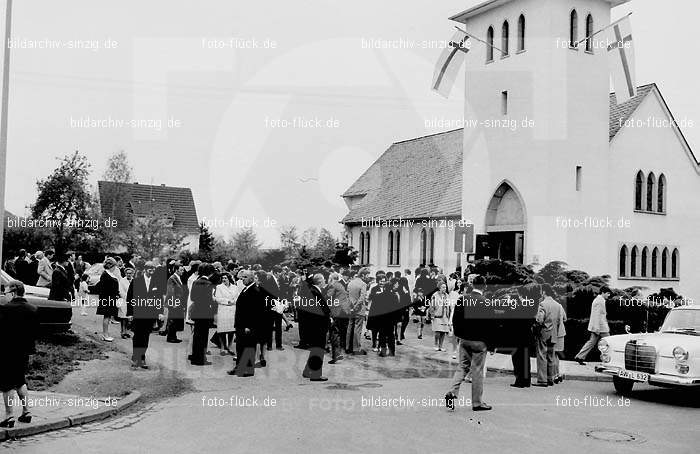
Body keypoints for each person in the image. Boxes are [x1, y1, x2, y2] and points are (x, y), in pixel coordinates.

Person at [445, 277, 492, 412]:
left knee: (462, 367)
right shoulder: (486, 302)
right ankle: (477, 402)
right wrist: (490, 343)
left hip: (464, 340)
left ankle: (452, 392)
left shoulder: (462, 299)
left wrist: (460, 335)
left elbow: (456, 320)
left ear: (472, 285)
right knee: (477, 370)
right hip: (479, 342)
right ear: (484, 286)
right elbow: (490, 326)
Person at [0, 281, 39, 427]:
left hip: (6, 351)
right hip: (24, 351)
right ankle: (26, 411)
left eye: (5, 293)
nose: (4, 296)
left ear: (13, 292)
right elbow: (35, 332)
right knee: (20, 380)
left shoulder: (5, 309)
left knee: (7, 384)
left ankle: (9, 415)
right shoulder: (33, 309)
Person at [127, 261, 162, 369]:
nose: (152, 271)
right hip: (138, 313)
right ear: (145, 270)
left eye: (153, 269)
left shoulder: (156, 282)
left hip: (150, 314)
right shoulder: (136, 281)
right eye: (150, 269)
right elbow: (130, 298)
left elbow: (159, 298)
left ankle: (142, 357)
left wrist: (160, 312)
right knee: (137, 335)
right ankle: (135, 356)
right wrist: (130, 313)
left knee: (146, 336)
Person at [229, 270, 263, 377]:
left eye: (245, 277)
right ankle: (239, 366)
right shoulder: (246, 289)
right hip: (240, 324)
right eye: (242, 277)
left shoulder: (255, 291)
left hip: (248, 325)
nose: (242, 279)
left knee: (248, 346)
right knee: (240, 346)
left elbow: (254, 311)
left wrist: (249, 325)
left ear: (251, 278)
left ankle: (248, 369)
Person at [300, 273, 331, 381]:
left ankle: (307, 371)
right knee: (318, 350)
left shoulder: (313, 291)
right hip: (318, 326)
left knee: (315, 350)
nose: (325, 282)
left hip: (313, 325)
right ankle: (315, 374)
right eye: (324, 280)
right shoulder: (315, 292)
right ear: (320, 281)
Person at [574, 286, 611, 365]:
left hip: (598, 327)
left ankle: (580, 357)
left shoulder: (599, 300)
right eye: (608, 293)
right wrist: (597, 328)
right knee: (609, 343)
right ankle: (607, 360)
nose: (609, 295)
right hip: (601, 328)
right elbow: (597, 315)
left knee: (591, 342)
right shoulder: (600, 301)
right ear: (603, 293)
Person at [534, 284, 562, 387]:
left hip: (544, 332)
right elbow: (560, 320)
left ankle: (542, 380)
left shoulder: (542, 304)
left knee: (542, 355)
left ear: (544, 292)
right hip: (554, 333)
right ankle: (550, 378)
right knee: (551, 356)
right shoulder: (558, 305)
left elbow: (540, 319)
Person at [189, 263, 216, 366]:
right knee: (203, 337)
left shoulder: (196, 282)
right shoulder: (208, 283)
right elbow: (209, 300)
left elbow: (192, 297)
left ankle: (195, 358)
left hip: (197, 310)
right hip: (205, 312)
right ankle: (201, 359)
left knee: (197, 336)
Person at [326, 271, 350, 363]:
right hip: (344, 312)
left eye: (329, 278)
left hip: (337, 312)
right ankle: (339, 352)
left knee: (334, 333)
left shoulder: (333, 285)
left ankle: (336, 355)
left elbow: (328, 297)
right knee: (339, 333)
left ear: (332, 279)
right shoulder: (340, 285)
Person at [96, 257, 120, 342]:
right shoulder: (105, 274)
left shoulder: (109, 274)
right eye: (114, 266)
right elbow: (103, 288)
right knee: (106, 316)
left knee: (108, 317)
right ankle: (105, 334)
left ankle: (106, 333)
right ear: (110, 266)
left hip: (111, 298)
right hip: (107, 298)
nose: (115, 268)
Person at [214, 273, 238, 355]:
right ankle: (222, 347)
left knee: (231, 330)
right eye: (223, 278)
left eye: (225, 278)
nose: (224, 280)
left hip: (232, 310)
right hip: (223, 309)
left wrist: (233, 301)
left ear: (229, 279)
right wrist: (228, 301)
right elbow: (218, 298)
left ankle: (230, 346)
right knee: (222, 330)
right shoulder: (219, 287)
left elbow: (237, 297)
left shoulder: (235, 287)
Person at [346, 268, 368, 355]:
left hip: (350, 309)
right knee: (357, 329)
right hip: (359, 310)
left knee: (350, 327)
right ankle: (356, 348)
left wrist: (351, 307)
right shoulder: (363, 284)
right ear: (363, 275)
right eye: (367, 275)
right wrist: (355, 307)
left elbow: (347, 296)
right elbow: (361, 299)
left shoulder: (350, 283)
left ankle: (348, 347)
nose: (367, 277)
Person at [165, 262, 187, 344]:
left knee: (175, 320)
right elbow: (171, 292)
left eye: (183, 270)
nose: (182, 271)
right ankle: (170, 337)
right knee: (172, 320)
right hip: (174, 302)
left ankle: (173, 336)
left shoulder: (178, 277)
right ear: (176, 270)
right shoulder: (172, 278)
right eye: (181, 270)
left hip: (178, 302)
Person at [430, 282, 452, 351]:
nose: (444, 289)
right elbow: (432, 306)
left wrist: (450, 316)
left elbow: (449, 306)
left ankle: (441, 346)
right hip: (437, 315)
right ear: (439, 288)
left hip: (445, 316)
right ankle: (436, 344)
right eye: (443, 287)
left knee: (443, 331)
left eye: (445, 287)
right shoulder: (435, 295)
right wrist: (432, 314)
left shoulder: (447, 296)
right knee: (438, 331)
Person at [553, 296, 567, 384]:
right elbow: (565, 319)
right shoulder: (560, 306)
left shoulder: (552, 307)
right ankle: (557, 374)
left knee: (552, 355)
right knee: (556, 355)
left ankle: (554, 375)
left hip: (554, 333)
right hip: (561, 333)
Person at [117, 268, 133, 339]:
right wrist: (128, 297)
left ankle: (127, 331)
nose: (129, 274)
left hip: (132, 301)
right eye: (127, 273)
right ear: (125, 273)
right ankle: (123, 332)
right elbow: (121, 291)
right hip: (124, 300)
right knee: (123, 318)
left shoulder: (134, 280)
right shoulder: (122, 281)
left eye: (130, 273)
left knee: (129, 318)